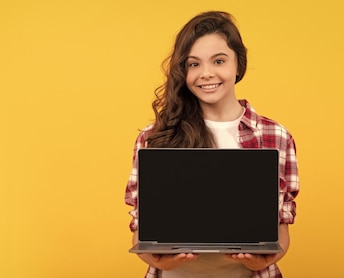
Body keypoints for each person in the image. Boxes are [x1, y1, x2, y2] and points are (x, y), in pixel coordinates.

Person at [124, 11, 299, 278]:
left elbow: (281, 234)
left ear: (238, 64)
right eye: (193, 64)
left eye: (219, 61)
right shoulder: (154, 137)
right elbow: (141, 237)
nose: (206, 74)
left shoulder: (275, 136)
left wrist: (257, 261)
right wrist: (162, 261)